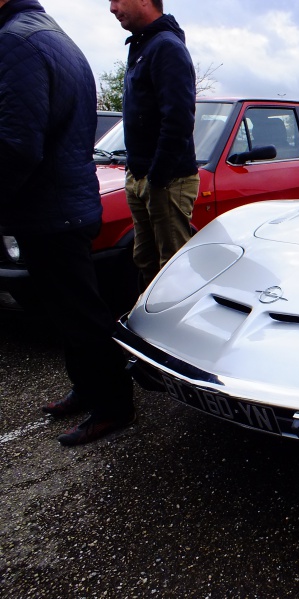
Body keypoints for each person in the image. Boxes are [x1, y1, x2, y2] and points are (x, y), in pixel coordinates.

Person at [0, 0, 134, 445]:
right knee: (70, 308)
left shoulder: (16, 40)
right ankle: (90, 388)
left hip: (51, 207)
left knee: (80, 311)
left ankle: (113, 405)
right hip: (64, 202)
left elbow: (16, 143)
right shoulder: (54, 37)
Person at [109, 0, 199, 289]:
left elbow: (179, 119)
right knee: (145, 259)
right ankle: (149, 325)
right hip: (140, 174)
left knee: (172, 266)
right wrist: (134, 171)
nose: (112, 8)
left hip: (167, 179)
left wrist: (157, 176)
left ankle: (177, 331)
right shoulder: (142, 46)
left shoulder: (166, 47)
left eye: (117, 0)